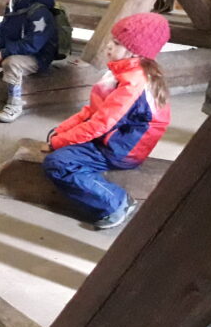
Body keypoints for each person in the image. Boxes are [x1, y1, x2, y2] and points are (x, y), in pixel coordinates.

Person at [42, 13, 171, 230]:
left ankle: (116, 202)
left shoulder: (133, 84)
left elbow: (99, 125)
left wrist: (59, 143)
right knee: (58, 137)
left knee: (58, 164)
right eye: (112, 40)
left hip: (120, 150)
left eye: (117, 43)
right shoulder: (121, 72)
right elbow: (92, 111)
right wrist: (62, 132)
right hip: (111, 138)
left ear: (135, 51)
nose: (109, 47)